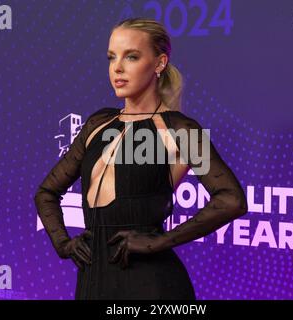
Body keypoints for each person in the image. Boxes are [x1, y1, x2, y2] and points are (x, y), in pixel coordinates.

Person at [33, 17, 248, 300]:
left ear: (159, 63)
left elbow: (231, 199)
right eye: (112, 57)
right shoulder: (98, 123)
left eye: (131, 56)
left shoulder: (178, 129)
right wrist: (63, 244)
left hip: (152, 285)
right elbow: (46, 192)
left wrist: (157, 242)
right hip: (91, 281)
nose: (117, 68)